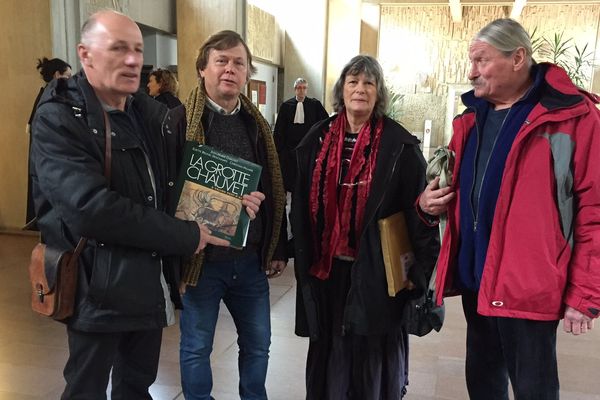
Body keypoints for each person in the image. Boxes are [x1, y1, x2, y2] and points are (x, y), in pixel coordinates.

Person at [29, 10, 244, 398]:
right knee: (87, 388)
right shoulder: (61, 116)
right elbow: (92, 209)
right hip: (96, 289)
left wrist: (236, 200)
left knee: (136, 386)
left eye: (137, 50)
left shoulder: (148, 113)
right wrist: (183, 237)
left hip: (147, 285)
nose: (133, 60)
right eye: (118, 49)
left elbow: (185, 176)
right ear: (85, 54)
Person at [418, 18, 600, 400]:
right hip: (475, 280)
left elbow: (594, 211)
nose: (472, 72)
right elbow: (454, 192)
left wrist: (584, 295)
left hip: (530, 290)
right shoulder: (470, 119)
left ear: (518, 58)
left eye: (481, 60)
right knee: (482, 386)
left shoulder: (574, 117)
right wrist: (426, 204)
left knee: (534, 390)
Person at [291, 55, 439, 399]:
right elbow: (299, 203)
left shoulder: (399, 147)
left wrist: (420, 277)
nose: (360, 89)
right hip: (326, 271)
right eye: (353, 82)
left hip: (376, 272)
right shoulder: (316, 139)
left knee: (370, 353)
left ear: (378, 93)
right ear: (341, 90)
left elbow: (418, 211)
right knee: (330, 349)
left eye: (368, 83)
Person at [179, 30, 287, 400]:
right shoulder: (179, 123)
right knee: (196, 349)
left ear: (247, 73)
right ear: (202, 69)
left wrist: (276, 244)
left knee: (258, 346)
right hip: (201, 262)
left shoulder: (257, 126)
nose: (230, 69)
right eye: (221, 61)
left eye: (238, 63)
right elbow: (167, 191)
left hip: (249, 262)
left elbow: (273, 187)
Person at [25, 57, 72, 229]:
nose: (70, 82)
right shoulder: (51, 100)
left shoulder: (45, 96)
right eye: (67, 76)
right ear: (57, 75)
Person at [273, 77, 328, 192]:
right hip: (290, 150)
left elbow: (325, 122)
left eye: (304, 88)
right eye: (299, 88)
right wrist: (279, 150)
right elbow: (279, 130)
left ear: (307, 90)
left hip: (309, 148)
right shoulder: (286, 106)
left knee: (306, 181)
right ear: (295, 89)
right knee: (291, 180)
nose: (301, 91)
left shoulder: (315, 105)